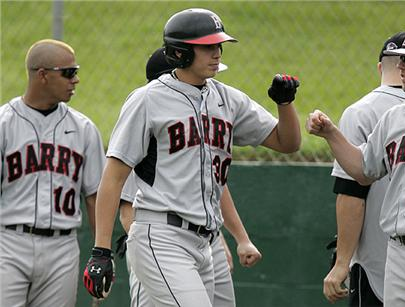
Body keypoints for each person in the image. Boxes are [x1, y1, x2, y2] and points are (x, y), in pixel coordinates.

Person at [83, 8, 301, 306]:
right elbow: (114, 177)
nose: (218, 53)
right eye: (208, 46)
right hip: (160, 235)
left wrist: (285, 104)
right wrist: (101, 250)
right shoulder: (148, 99)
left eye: (219, 45)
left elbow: (287, 143)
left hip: (206, 239)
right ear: (181, 52)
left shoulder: (227, 98)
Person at [307, 23, 405, 306]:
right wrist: (331, 133)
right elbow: (363, 170)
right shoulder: (394, 118)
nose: (400, 64)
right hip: (398, 254)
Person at [116, 47, 262, 307]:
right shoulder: (148, 137)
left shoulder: (204, 124)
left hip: (202, 240)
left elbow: (217, 186)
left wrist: (225, 238)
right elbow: (128, 214)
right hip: (161, 246)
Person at [0, 39, 105, 307]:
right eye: (68, 72)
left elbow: (95, 196)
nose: (76, 79)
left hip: (63, 247)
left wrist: (100, 254)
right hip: (9, 243)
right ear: (43, 75)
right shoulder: (4, 124)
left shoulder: (83, 129)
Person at [323, 31, 405, 306]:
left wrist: (342, 262)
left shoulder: (362, 112)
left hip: (378, 262)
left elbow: (352, 193)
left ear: (381, 67)